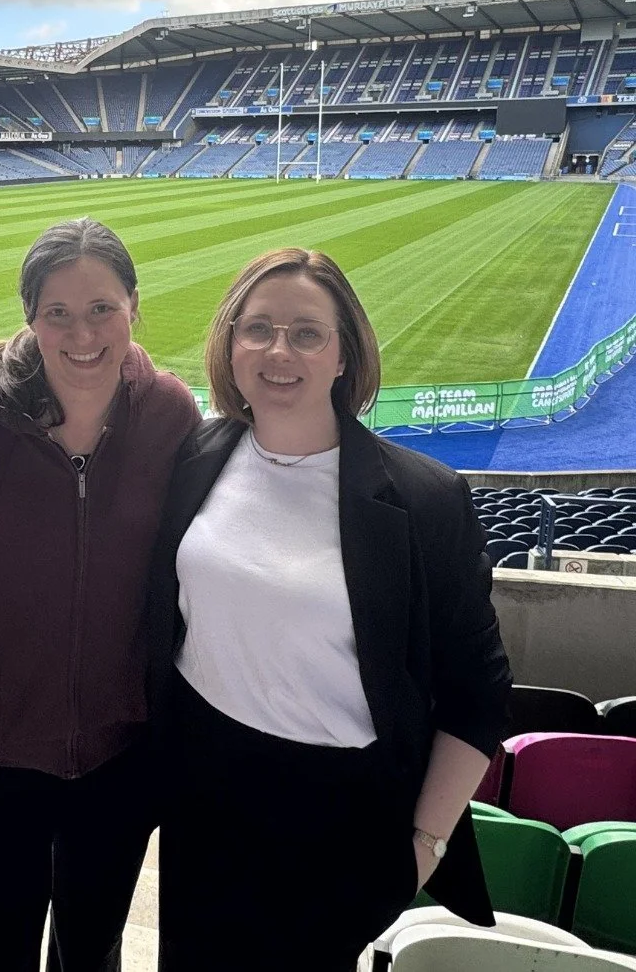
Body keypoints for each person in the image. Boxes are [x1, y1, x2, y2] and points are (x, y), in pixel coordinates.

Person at [148, 248, 512, 971]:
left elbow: (478, 693)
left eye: (307, 333)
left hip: (338, 817)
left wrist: (422, 849)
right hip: (203, 795)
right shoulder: (198, 453)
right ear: (230, 342)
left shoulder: (425, 498)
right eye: (258, 329)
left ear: (345, 353)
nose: (278, 351)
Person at [0, 218, 201, 972]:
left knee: (91, 953)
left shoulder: (172, 414)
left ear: (135, 307)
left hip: (119, 753)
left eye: (101, 309)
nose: (82, 333)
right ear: (31, 319)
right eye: (58, 313)